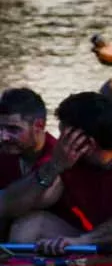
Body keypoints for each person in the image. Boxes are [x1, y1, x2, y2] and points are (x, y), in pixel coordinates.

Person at [4, 92, 112, 254]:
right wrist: (54, 165)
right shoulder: (71, 160)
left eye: (65, 135)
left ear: (87, 142)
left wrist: (85, 240)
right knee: (30, 225)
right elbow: (10, 205)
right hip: (99, 240)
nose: (60, 142)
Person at [0, 88, 57, 239]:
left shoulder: (56, 156)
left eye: (13, 129)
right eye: (0, 128)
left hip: (54, 238)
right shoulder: (5, 151)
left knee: (26, 225)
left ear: (39, 126)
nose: (3, 137)